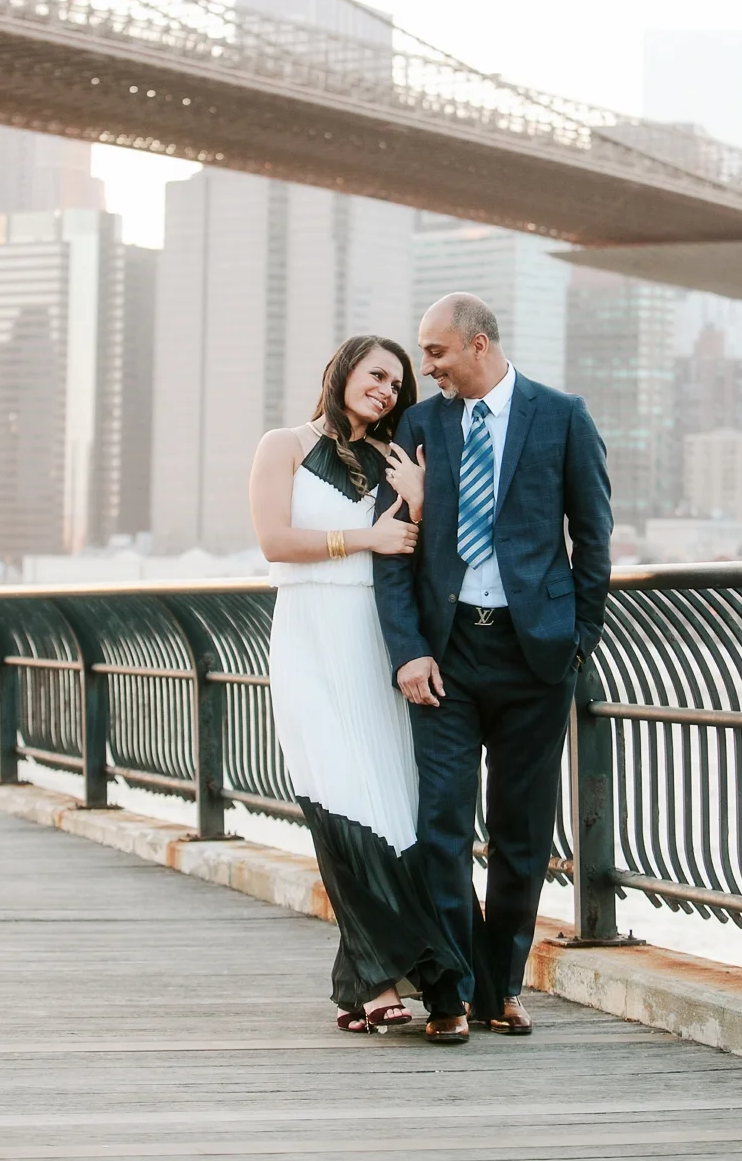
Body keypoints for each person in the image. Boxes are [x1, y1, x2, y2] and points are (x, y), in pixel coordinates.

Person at [373, 294, 613, 1043]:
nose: (426, 368)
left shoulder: (562, 415)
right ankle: (450, 990)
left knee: (519, 834)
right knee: (440, 826)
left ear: (477, 344)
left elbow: (594, 537)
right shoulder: (419, 427)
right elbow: (393, 551)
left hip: (535, 656)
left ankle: (502, 988)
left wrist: (577, 642)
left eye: (436, 352)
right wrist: (409, 650)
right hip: (445, 656)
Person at [249, 334, 470, 1036]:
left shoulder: (394, 460)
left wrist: (423, 502)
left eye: (395, 384)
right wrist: (364, 539)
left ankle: (364, 980)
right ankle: (397, 977)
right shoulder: (282, 445)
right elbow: (275, 542)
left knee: (388, 808)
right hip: (309, 637)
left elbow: (423, 552)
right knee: (338, 800)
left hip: (374, 640)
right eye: (375, 374)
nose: (384, 389)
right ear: (343, 370)